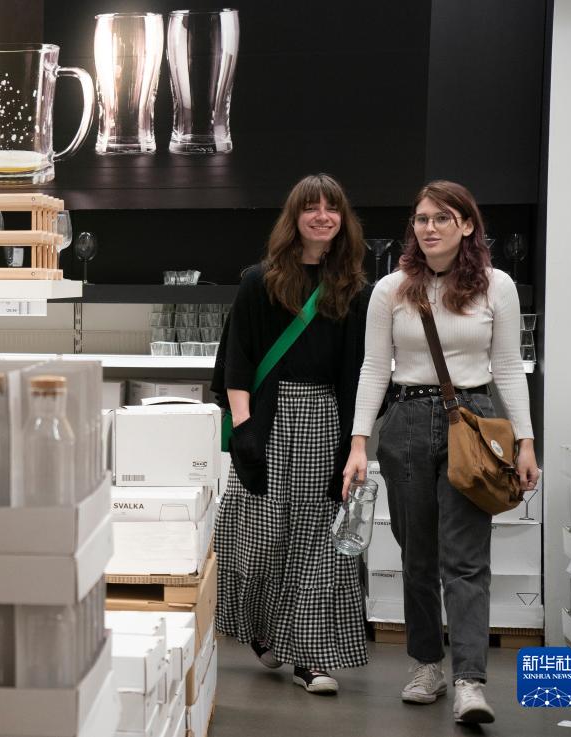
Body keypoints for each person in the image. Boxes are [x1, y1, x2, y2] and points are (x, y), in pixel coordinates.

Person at [343, 180, 539, 723]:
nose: (429, 227)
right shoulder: (390, 289)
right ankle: (427, 664)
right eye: (422, 219)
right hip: (405, 423)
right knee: (417, 557)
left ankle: (470, 682)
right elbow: (373, 368)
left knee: (467, 559)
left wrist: (525, 440)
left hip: (472, 424)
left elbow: (507, 368)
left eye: (442, 218)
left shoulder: (497, 286)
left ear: (467, 225)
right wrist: (359, 442)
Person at [211, 173, 371, 694]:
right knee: (257, 536)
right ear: (294, 217)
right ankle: (263, 628)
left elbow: (358, 371)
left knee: (314, 539)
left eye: (332, 208)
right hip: (266, 417)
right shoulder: (260, 280)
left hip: (325, 417)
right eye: (311, 207)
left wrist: (355, 442)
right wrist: (243, 428)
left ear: (343, 219)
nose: (322, 216)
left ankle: (309, 655)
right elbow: (237, 359)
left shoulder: (353, 287)